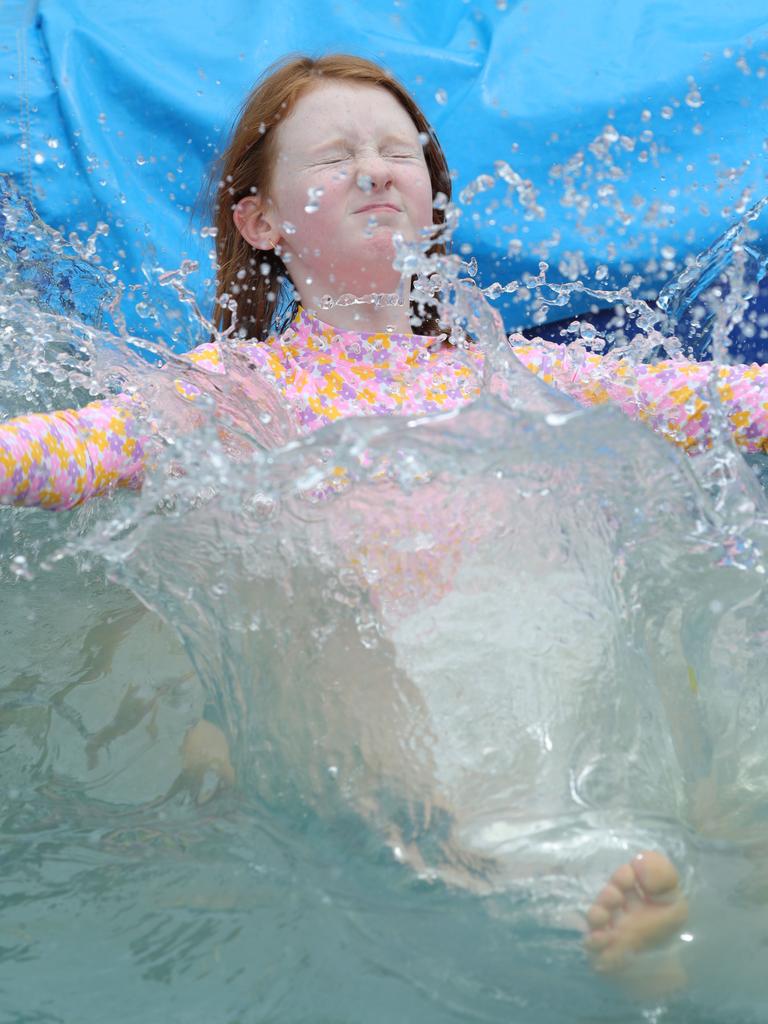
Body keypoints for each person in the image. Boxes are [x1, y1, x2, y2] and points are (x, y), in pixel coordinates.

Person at [1, 53, 766, 987]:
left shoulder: (517, 370)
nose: (372, 169)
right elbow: (78, 445)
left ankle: (641, 871)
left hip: (527, 641)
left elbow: (710, 399)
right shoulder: (228, 393)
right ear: (261, 220)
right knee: (314, 628)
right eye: (335, 157)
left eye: (396, 153)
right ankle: (581, 911)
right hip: (372, 687)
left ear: (433, 205)